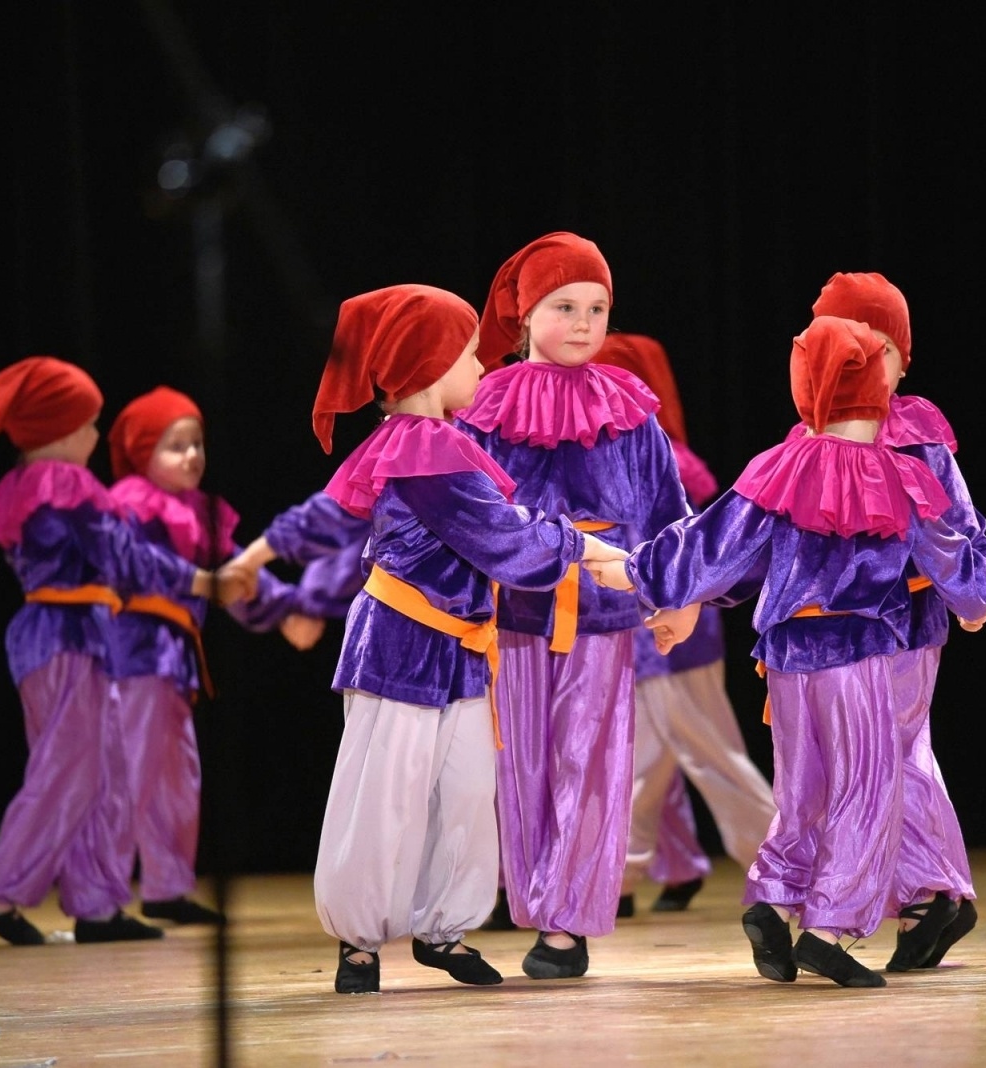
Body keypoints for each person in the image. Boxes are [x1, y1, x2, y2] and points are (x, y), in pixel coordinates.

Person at [230, 283, 628, 994]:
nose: (480, 368)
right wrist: (606, 558)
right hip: (401, 645)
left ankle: (444, 927)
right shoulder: (424, 452)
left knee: (466, 794)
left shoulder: (439, 443)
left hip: (460, 646)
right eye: (470, 354)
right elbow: (506, 539)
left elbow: (505, 528)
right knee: (385, 792)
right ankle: (358, 940)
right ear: (429, 365)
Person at [588, 315, 986, 987]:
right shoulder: (905, 477)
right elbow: (956, 559)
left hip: (784, 660)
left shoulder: (777, 467)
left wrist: (639, 573)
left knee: (802, 790)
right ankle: (829, 929)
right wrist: (976, 603)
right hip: (858, 653)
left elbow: (711, 545)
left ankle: (774, 900)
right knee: (864, 790)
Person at [0, 357, 256, 945]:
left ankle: (96, 904)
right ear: (62, 429)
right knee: (70, 766)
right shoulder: (65, 482)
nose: (97, 437)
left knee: (104, 769)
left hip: (66, 632)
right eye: (91, 424)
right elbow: (122, 554)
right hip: (67, 632)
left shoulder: (24, 485)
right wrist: (201, 581)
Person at [453, 232, 691, 978]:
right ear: (524, 316)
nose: (585, 323)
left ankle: (567, 926)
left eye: (597, 307)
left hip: (604, 615)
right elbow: (458, 509)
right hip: (513, 612)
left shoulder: (628, 407)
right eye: (565, 306)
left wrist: (677, 593)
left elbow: (667, 509)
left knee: (590, 762)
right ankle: (533, 901)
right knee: (521, 764)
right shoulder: (485, 405)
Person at [809, 272, 986, 971]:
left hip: (906, 618)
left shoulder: (917, 433)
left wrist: (971, 594)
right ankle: (933, 891)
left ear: (903, 358)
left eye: (879, 349)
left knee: (890, 751)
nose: (864, 365)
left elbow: (957, 525)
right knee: (880, 754)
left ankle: (936, 891)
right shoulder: (816, 433)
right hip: (840, 629)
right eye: (847, 351)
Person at [104, 386, 316, 927]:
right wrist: (213, 584)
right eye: (175, 446)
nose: (193, 456)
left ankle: (166, 887)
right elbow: (147, 567)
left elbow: (238, 573)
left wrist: (287, 607)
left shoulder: (197, 510)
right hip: (133, 654)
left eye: (197, 443)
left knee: (177, 775)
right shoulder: (130, 503)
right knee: (132, 774)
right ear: (141, 452)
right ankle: (98, 898)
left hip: (173, 659)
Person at [593, 332, 777, 918]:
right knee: (647, 758)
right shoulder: (630, 449)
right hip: (649, 624)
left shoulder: (653, 453)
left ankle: (784, 862)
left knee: (710, 752)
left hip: (672, 626)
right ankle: (618, 874)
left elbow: (686, 550)